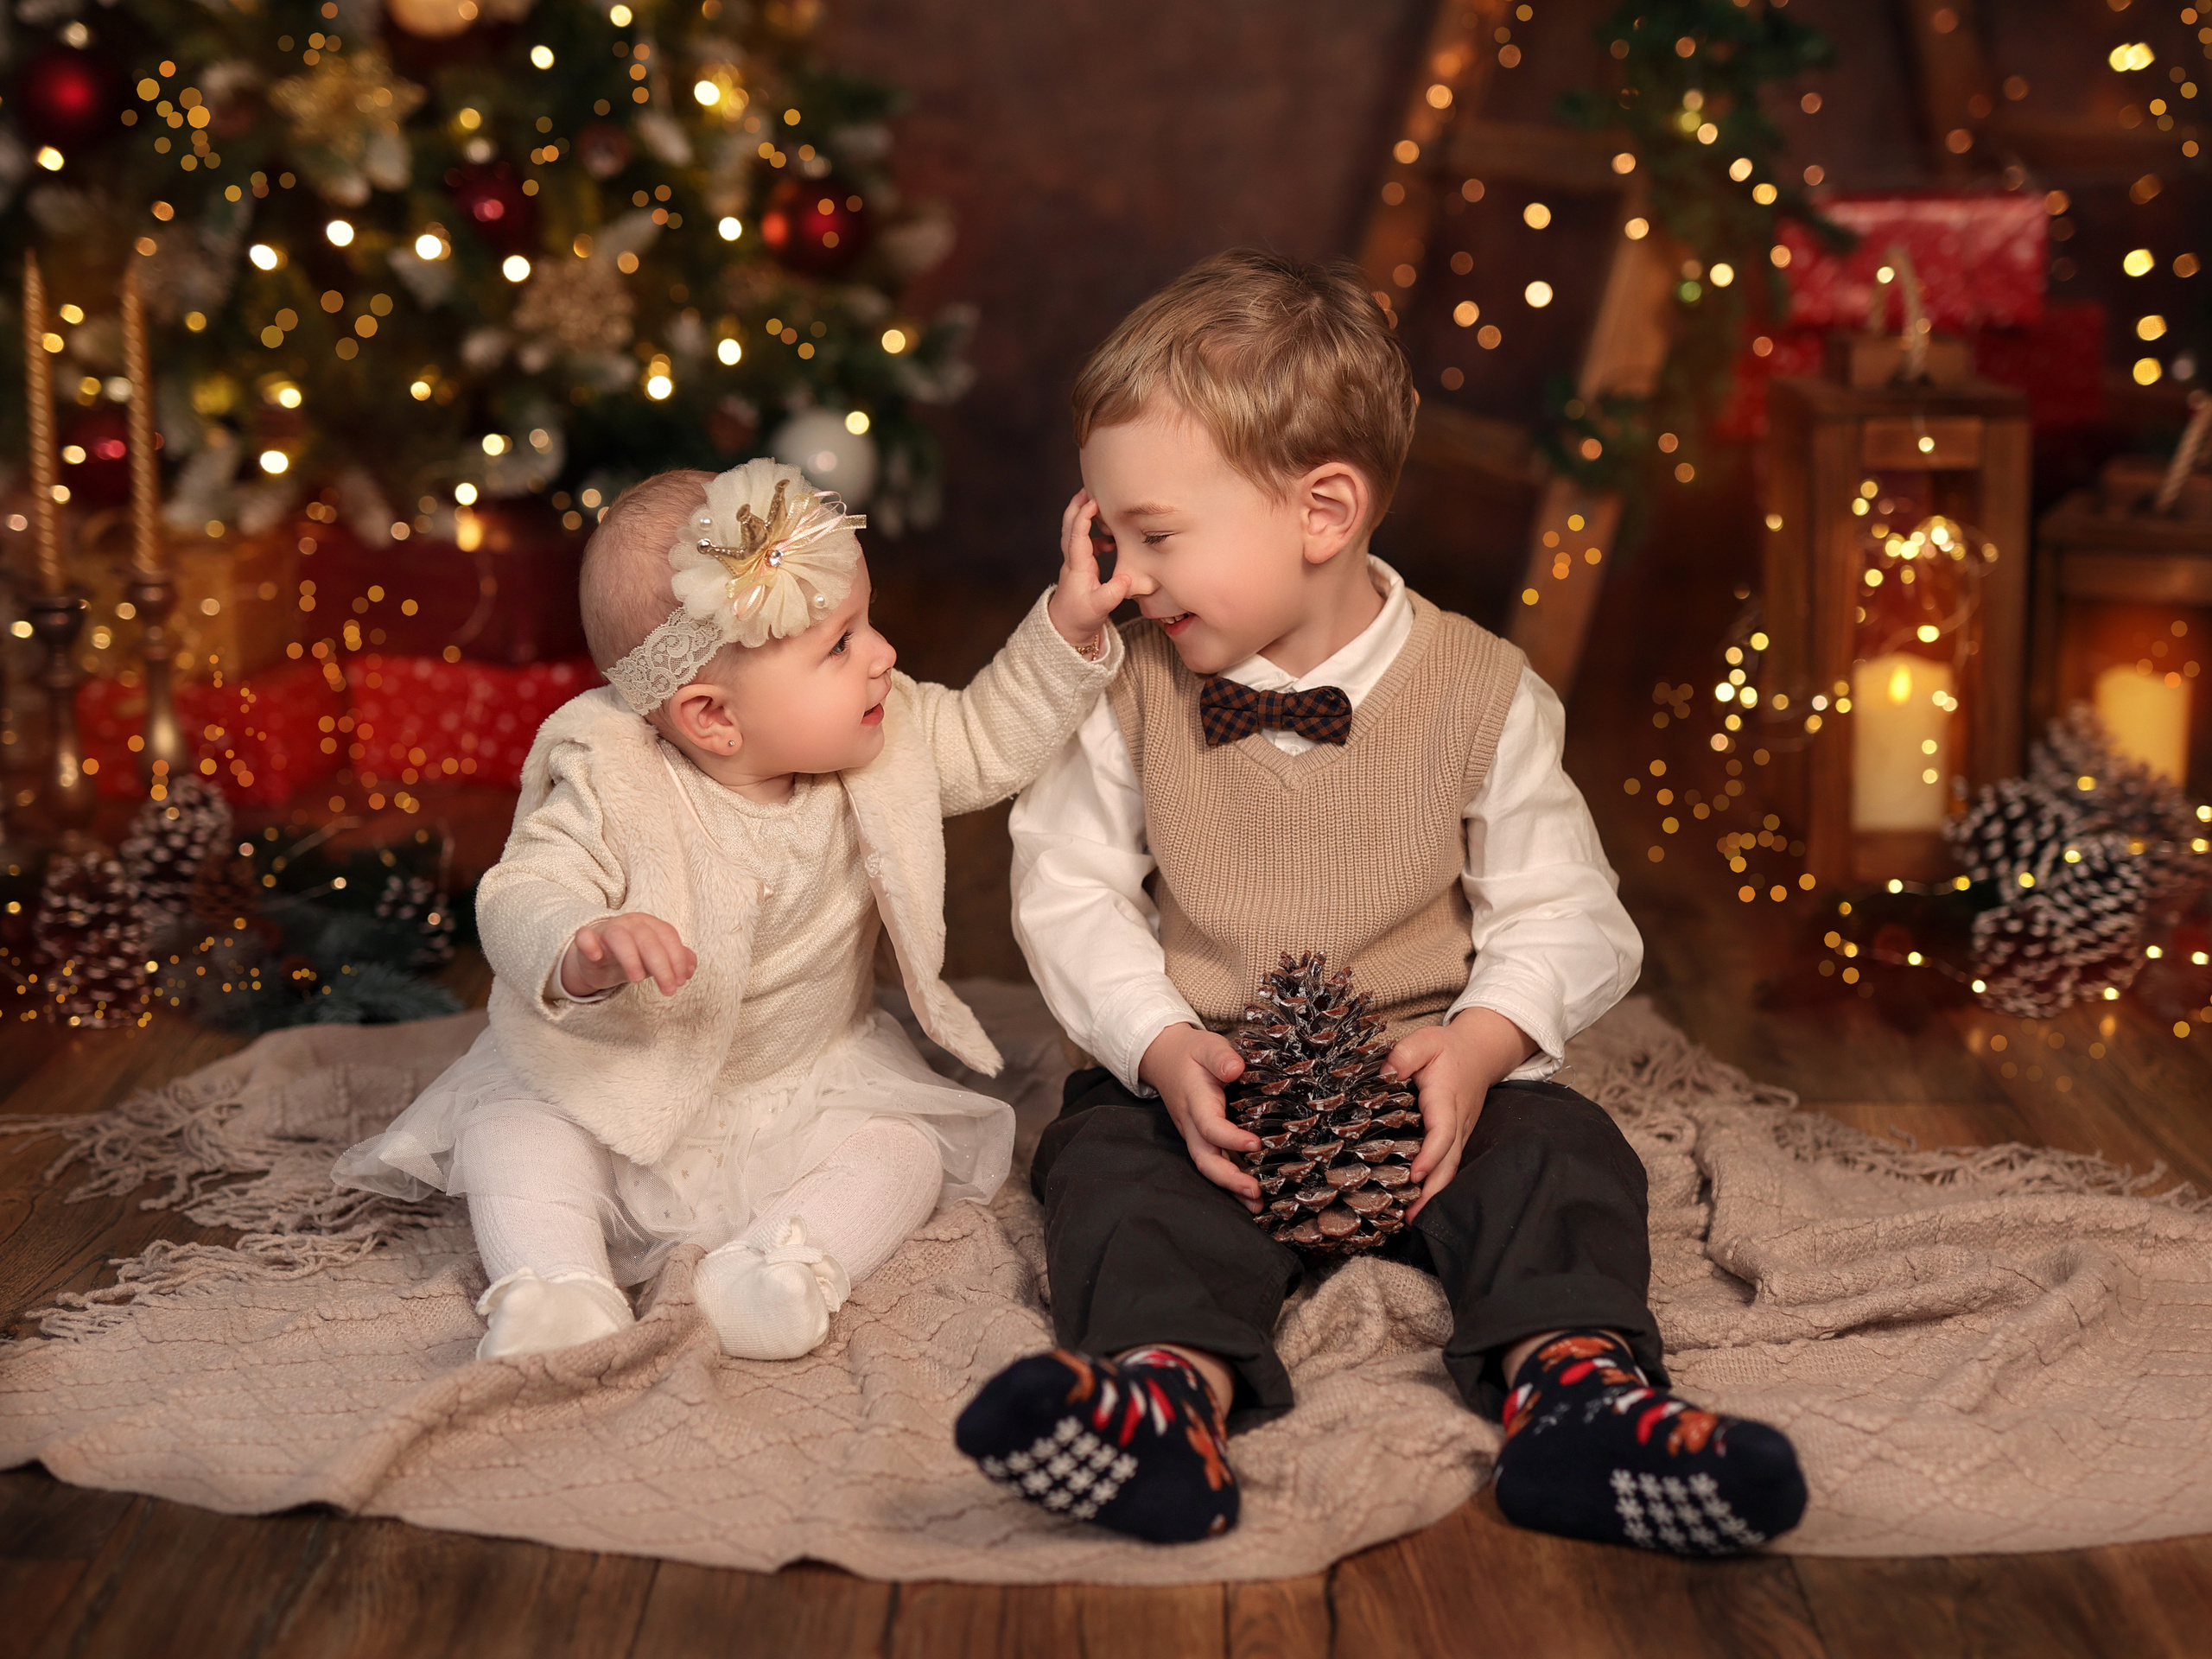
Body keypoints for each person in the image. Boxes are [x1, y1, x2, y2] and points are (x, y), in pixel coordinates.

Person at [954, 251, 1806, 1555]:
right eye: (1109, 539)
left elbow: (1566, 911)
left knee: (1566, 1157)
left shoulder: (1481, 691)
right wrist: (1157, 1042)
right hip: (1211, 1085)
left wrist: (1482, 1042)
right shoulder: (1121, 683)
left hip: (1424, 1092)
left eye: (1158, 537)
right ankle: (1162, 1403)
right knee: (1107, 1170)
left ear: (1323, 510)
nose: (1125, 577)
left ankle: (1580, 1399)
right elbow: (1066, 890)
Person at [336, 459, 1128, 1363]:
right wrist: (578, 944)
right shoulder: (612, 777)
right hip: (622, 1077)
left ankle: (780, 1263)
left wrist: (1068, 625)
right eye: (840, 644)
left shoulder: (884, 736)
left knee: (906, 1148)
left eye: (865, 625)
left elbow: (987, 737)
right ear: (711, 717)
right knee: (514, 1130)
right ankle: (556, 1286)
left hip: (804, 1080)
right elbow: (521, 891)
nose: (883, 655)